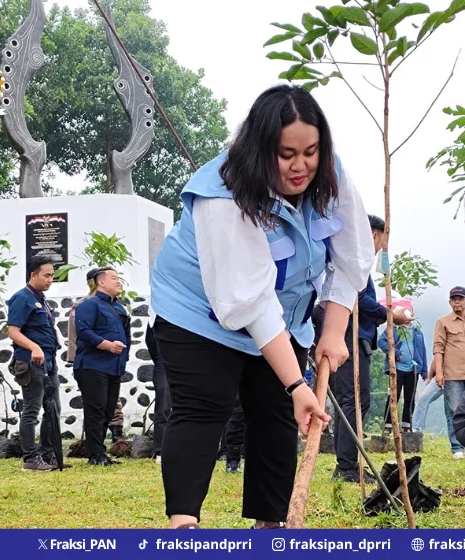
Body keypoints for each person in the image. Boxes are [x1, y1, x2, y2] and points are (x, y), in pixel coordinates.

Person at [149, 84, 373, 529]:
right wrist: (298, 384)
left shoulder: (330, 174)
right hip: (198, 314)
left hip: (284, 311)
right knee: (204, 407)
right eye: (285, 154)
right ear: (259, 148)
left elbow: (353, 257)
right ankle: (184, 525)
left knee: (274, 412)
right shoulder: (223, 194)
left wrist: (333, 329)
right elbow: (249, 300)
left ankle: (272, 529)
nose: (300, 166)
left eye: (310, 151)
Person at [331, 214, 408, 483]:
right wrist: (389, 314)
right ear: (375, 235)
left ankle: (346, 464)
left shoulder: (355, 259)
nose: (385, 243)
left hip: (352, 335)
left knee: (350, 401)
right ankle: (347, 466)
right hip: (349, 338)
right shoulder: (357, 259)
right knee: (354, 400)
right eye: (385, 236)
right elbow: (358, 298)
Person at [7, 255, 62, 472]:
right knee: (32, 410)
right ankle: (30, 458)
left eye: (52, 276)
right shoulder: (22, 298)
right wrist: (34, 347)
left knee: (53, 408)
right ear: (33, 275)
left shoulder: (41, 298)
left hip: (49, 362)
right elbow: (13, 331)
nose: (51, 279)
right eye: (47, 275)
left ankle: (48, 454)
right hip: (31, 362)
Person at [73, 267, 131, 466]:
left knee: (108, 411)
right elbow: (83, 331)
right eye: (114, 278)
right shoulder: (90, 305)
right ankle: (95, 454)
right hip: (92, 365)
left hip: (113, 367)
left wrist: (124, 357)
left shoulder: (120, 308)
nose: (118, 281)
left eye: (119, 278)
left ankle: (100, 451)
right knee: (95, 409)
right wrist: (107, 345)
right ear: (101, 282)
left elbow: (127, 336)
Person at [432, 286, 465, 459]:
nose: (457, 302)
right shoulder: (443, 322)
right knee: (454, 410)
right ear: (450, 302)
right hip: (453, 374)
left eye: (460, 298)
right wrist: (439, 372)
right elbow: (438, 348)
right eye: (454, 299)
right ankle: (456, 447)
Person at [379, 306, 427, 433]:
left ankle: (407, 425)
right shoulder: (393, 329)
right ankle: (388, 425)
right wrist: (395, 352)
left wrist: (424, 370)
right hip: (396, 369)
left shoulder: (417, 331)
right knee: (393, 396)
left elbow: (422, 351)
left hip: (413, 369)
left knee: (410, 398)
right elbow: (381, 342)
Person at [146, 319, 170, 464]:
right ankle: (160, 450)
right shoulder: (155, 316)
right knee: (163, 407)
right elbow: (150, 341)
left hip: (185, 363)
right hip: (163, 362)